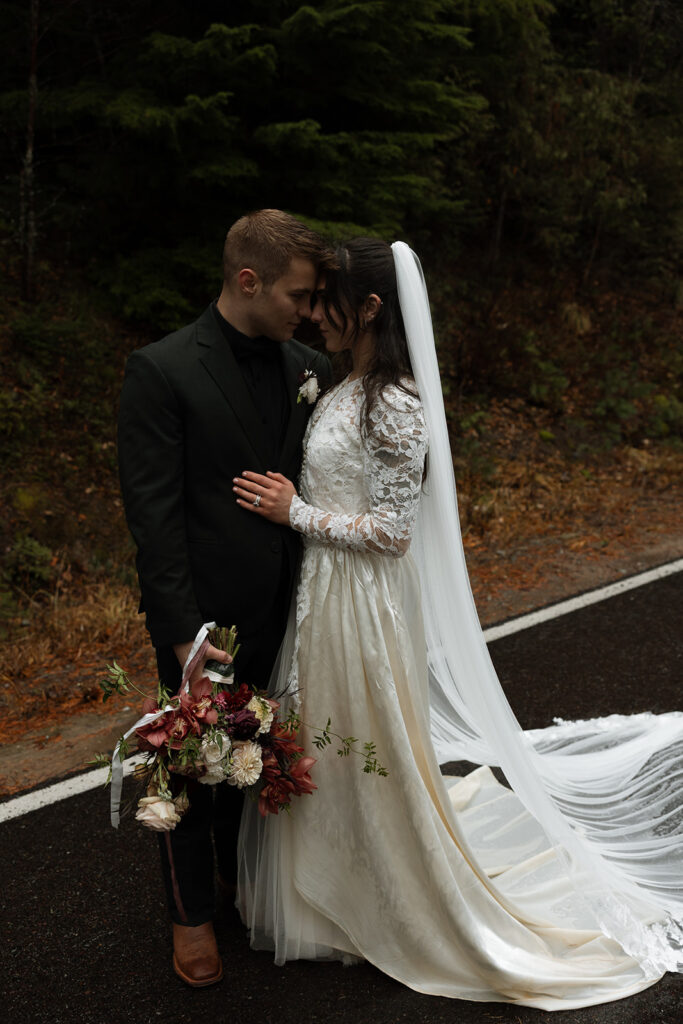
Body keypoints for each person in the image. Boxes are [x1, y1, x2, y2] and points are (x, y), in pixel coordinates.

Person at [231, 238, 683, 1008]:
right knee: (328, 742)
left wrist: (293, 511)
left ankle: (393, 895)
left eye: (325, 302)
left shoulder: (397, 402)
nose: (311, 315)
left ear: (370, 308)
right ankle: (330, 890)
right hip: (324, 593)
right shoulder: (345, 385)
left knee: (359, 738)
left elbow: (391, 532)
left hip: (361, 602)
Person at [117, 209, 334, 987]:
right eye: (299, 296)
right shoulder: (162, 370)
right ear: (248, 281)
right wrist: (182, 635)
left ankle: (243, 885)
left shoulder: (308, 366)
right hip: (205, 618)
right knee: (189, 768)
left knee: (264, 756)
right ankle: (190, 917)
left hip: (295, 607)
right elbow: (155, 518)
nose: (309, 313)